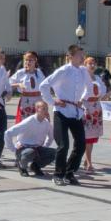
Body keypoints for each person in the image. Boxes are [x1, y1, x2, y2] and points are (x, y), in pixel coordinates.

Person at [39, 45, 93, 186]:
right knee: (63, 145)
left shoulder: (83, 71)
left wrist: (82, 98)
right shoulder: (63, 71)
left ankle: (69, 172)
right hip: (61, 112)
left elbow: (90, 88)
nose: (83, 58)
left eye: (83, 54)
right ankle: (58, 174)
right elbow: (44, 86)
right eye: (80, 55)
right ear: (71, 56)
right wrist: (52, 100)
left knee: (81, 144)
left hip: (75, 113)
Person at [4, 100, 56, 177]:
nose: (46, 111)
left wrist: (45, 147)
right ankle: (22, 167)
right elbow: (8, 133)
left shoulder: (46, 123)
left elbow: (51, 137)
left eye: (47, 109)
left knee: (55, 153)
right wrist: (13, 149)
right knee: (30, 152)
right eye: (44, 109)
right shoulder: (29, 121)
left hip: (37, 148)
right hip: (24, 148)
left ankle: (35, 166)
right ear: (37, 109)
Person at [82, 56, 106, 173]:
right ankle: (89, 163)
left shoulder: (97, 78)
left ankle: (87, 160)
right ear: (85, 65)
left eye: (93, 63)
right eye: (89, 63)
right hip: (87, 106)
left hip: (96, 106)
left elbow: (103, 91)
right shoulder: (83, 78)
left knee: (92, 137)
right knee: (87, 136)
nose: (92, 65)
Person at [10, 51, 45, 123]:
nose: (28, 62)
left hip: (38, 100)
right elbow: (8, 84)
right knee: (25, 123)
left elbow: (45, 86)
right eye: (26, 60)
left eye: (30, 60)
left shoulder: (39, 72)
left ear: (35, 61)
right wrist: (18, 84)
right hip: (25, 101)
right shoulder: (21, 72)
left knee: (37, 123)